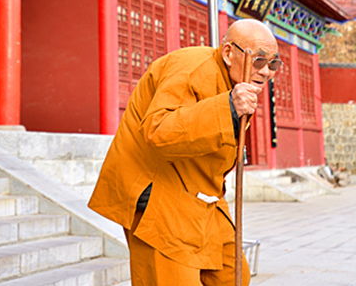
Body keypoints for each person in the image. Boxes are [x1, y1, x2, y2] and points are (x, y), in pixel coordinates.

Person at [88, 19, 282, 286]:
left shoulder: (235, 84)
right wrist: (228, 107)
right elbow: (159, 131)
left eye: (273, 64)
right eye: (259, 61)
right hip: (161, 194)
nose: (266, 72)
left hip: (202, 196)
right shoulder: (190, 67)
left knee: (232, 276)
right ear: (228, 53)